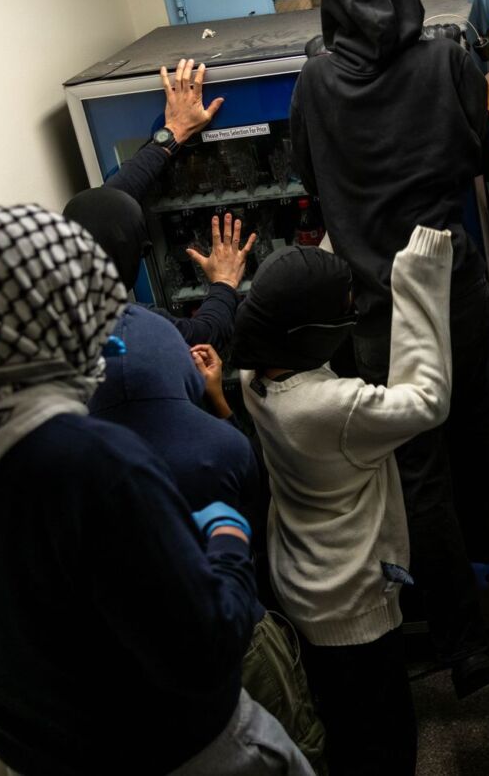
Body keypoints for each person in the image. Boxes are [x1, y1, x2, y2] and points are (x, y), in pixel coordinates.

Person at [0, 204, 311, 776]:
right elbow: (209, 651)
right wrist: (226, 536)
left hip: (35, 754)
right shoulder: (93, 462)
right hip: (178, 753)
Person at [288, 0, 489, 695]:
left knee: (420, 473)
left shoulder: (315, 82)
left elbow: (307, 174)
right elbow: (481, 154)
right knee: (474, 428)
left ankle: (461, 641)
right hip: (454, 288)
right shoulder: (448, 61)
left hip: (379, 309)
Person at [232, 225, 455, 776]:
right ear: (314, 330)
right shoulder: (332, 408)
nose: (353, 310)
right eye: (346, 306)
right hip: (353, 607)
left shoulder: (252, 376)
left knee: (343, 729)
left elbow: (297, 291)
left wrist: (340, 230)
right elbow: (427, 400)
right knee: (383, 746)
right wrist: (417, 273)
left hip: (304, 585)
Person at [89, 304, 327, 774]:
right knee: (294, 744)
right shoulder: (220, 447)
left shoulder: (76, 462)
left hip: (145, 656)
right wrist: (217, 402)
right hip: (239, 633)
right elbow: (255, 521)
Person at [64, 58, 255, 356]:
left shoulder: (54, 265)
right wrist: (225, 282)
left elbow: (110, 201)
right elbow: (203, 335)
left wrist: (173, 132)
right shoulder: (126, 327)